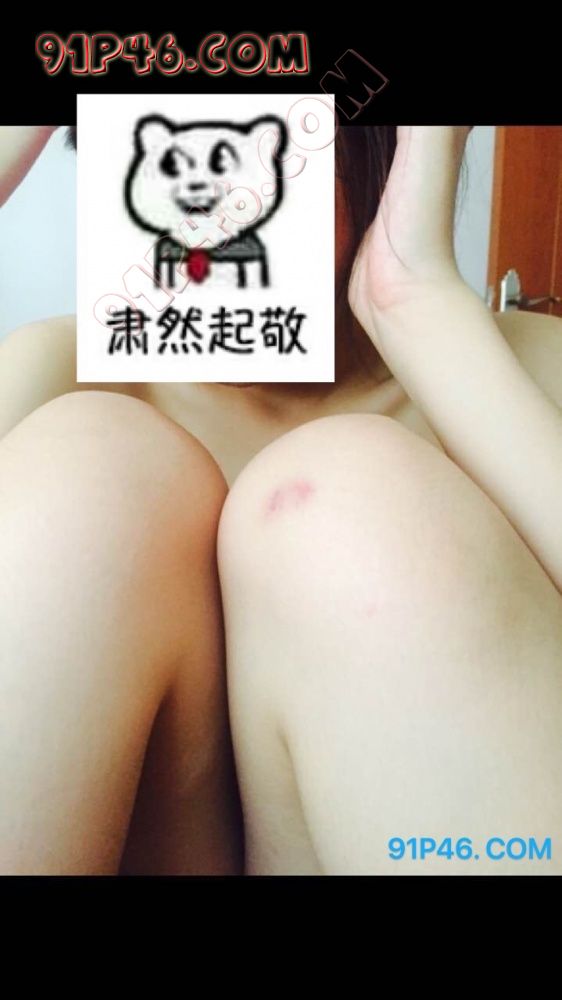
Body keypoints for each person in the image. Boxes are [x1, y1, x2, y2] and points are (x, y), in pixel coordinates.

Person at [0, 124, 561, 875]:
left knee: (350, 496)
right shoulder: (55, 378)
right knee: (86, 471)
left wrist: (415, 302)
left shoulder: (519, 371)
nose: (207, 201)